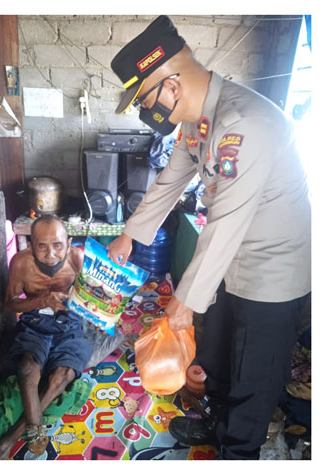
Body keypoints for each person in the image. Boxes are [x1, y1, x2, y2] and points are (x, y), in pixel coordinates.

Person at [106, 16, 311, 459]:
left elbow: (228, 221)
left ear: (172, 87)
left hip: (271, 270)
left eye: (144, 99)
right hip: (227, 261)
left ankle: (240, 451)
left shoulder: (245, 124)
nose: (147, 111)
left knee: (255, 372)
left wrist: (184, 299)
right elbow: (170, 182)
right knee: (216, 351)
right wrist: (129, 236)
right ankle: (217, 422)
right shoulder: (199, 121)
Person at [0, 215, 91, 459]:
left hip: (70, 322)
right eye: (42, 246)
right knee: (27, 369)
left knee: (63, 375)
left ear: (69, 243)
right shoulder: (21, 263)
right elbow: (8, 305)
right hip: (35, 320)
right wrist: (42, 300)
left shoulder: (77, 258)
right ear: (30, 245)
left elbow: (91, 296)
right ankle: (32, 432)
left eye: (58, 245)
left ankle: (9, 440)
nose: (50, 253)